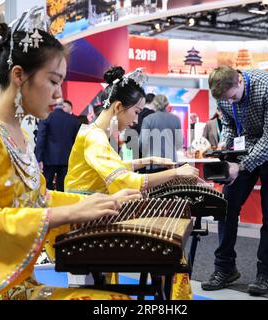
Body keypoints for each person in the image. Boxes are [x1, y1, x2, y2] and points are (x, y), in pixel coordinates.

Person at [0, 7, 141, 301]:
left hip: (13, 280)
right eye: (53, 80)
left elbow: (41, 198)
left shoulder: (20, 134)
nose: (59, 95)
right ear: (19, 75)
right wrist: (73, 212)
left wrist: (98, 202)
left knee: (115, 301)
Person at [64, 66, 199, 300]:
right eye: (136, 112)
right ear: (118, 108)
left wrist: (148, 159)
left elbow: (113, 168)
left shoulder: (95, 133)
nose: (136, 120)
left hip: (93, 213)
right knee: (85, 290)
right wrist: (176, 173)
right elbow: (122, 179)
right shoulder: (95, 137)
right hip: (84, 219)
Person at [202, 65, 268, 296]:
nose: (229, 102)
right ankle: (225, 268)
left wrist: (241, 165)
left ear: (239, 82)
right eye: (225, 99)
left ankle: (265, 273)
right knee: (226, 206)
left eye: (232, 96)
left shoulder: (267, 87)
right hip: (247, 148)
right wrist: (226, 146)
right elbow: (231, 126)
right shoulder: (225, 95)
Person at [35, 98, 80, 191]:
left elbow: (41, 138)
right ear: (62, 105)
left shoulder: (46, 117)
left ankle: (49, 205)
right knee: (63, 187)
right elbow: (77, 141)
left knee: (46, 186)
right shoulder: (73, 120)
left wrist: (38, 158)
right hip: (67, 158)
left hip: (49, 158)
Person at [140, 94, 183, 172]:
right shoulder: (176, 119)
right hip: (171, 163)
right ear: (167, 104)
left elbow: (143, 142)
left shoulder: (148, 119)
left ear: (154, 104)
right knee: (171, 184)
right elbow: (179, 143)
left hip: (153, 164)